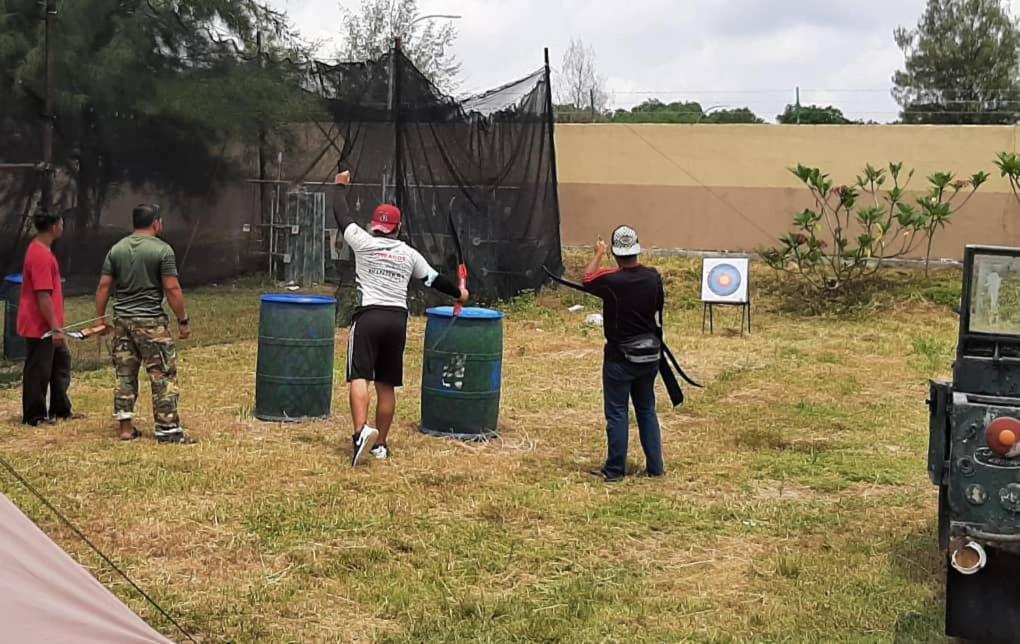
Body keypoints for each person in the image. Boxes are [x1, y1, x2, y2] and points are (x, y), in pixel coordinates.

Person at [331, 171, 468, 466]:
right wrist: (459, 293)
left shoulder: (362, 241)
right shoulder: (409, 254)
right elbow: (433, 280)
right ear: (397, 227)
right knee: (386, 385)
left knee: (359, 376)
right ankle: (380, 444)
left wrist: (340, 186)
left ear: (374, 225)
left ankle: (360, 433)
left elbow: (341, 214)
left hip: (369, 317)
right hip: (397, 320)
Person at [95, 204, 194, 444]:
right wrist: (183, 320)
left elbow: (104, 286)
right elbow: (171, 287)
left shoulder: (117, 249)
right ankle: (167, 429)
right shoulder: (162, 250)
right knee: (162, 374)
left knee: (125, 374)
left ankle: (126, 428)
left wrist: (100, 318)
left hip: (122, 322)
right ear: (156, 223)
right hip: (151, 323)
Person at [580, 225, 666, 482]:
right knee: (646, 409)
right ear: (637, 249)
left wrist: (597, 254)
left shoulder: (612, 281)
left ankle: (615, 469)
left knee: (617, 412)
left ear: (615, 254)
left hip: (620, 358)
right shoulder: (653, 276)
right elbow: (658, 308)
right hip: (650, 355)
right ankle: (655, 467)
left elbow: (587, 280)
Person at [18, 211, 76, 426]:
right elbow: (43, 296)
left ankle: (61, 409)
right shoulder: (40, 255)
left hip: (51, 324)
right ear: (53, 226)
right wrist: (55, 328)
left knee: (61, 362)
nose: (62, 227)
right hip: (39, 325)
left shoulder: (44, 250)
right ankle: (34, 415)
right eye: (61, 223)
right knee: (38, 370)